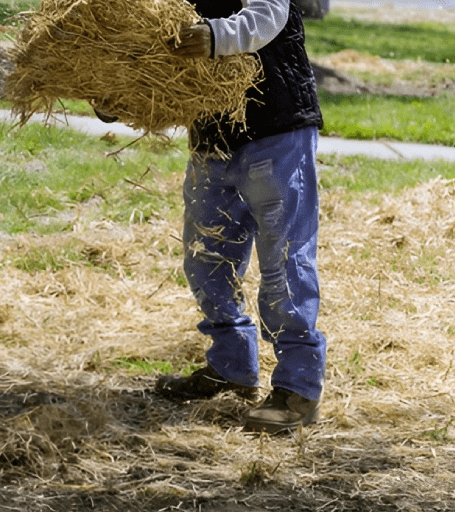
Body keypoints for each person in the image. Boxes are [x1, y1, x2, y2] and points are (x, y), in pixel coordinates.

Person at [153, 0, 327, 434]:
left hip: (275, 127)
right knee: (207, 257)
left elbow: (270, 14)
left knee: (283, 261)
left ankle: (298, 387)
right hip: (211, 135)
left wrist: (215, 37)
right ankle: (231, 366)